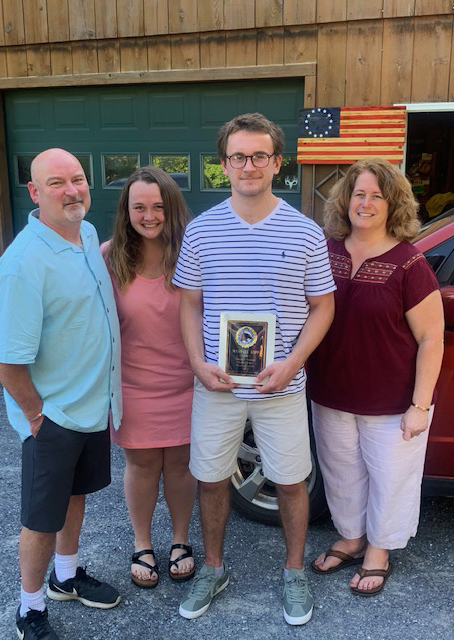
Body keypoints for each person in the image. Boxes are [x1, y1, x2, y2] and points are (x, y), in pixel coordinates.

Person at [172, 113, 336, 625]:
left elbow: (323, 306)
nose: (249, 165)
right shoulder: (201, 231)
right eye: (238, 156)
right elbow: (189, 303)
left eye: (259, 155)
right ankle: (213, 568)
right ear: (224, 164)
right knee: (211, 479)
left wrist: (293, 363)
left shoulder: (305, 232)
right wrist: (197, 363)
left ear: (277, 163)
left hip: (281, 386)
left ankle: (294, 571)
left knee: (291, 481)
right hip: (217, 385)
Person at [0, 149, 123, 640]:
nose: (71, 190)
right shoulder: (22, 264)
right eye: (57, 183)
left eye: (78, 179)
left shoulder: (85, 234)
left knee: (74, 496)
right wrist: (35, 414)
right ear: (34, 192)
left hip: (91, 406)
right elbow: (6, 357)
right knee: (41, 519)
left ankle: (66, 577)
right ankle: (30, 609)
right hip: (53, 415)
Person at [307, 158, 444, 596]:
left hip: (392, 401)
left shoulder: (409, 263)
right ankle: (351, 538)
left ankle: (379, 550)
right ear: (345, 200)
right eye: (358, 194)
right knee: (341, 473)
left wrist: (420, 405)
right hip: (330, 392)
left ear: (393, 204)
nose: (365, 204)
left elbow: (431, 338)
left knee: (390, 478)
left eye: (377, 196)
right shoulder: (325, 251)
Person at [102, 166, 197, 588]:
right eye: (139, 207)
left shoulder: (193, 253)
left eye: (158, 206)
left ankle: (180, 540)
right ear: (127, 211)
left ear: (172, 208)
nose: (149, 216)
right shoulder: (108, 258)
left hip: (187, 384)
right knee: (141, 464)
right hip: (132, 386)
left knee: (179, 464)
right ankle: (142, 543)